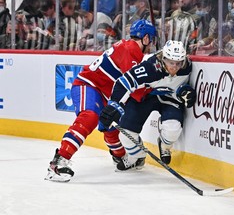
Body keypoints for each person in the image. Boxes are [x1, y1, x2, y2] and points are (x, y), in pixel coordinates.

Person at [45, 19, 157, 182]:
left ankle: (120, 157)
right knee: (90, 116)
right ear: (146, 38)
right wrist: (155, 90)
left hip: (104, 92)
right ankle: (58, 162)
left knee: (111, 126)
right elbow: (136, 90)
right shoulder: (132, 50)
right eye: (151, 40)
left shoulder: (128, 47)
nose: (152, 44)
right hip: (88, 85)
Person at [99, 40, 196, 171]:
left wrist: (184, 91)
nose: (174, 67)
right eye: (170, 62)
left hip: (169, 98)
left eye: (178, 63)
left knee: (173, 129)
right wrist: (114, 105)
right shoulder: (150, 67)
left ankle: (164, 145)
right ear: (163, 58)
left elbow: (182, 86)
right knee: (126, 132)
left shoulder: (187, 66)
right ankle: (137, 158)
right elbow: (124, 82)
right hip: (146, 96)